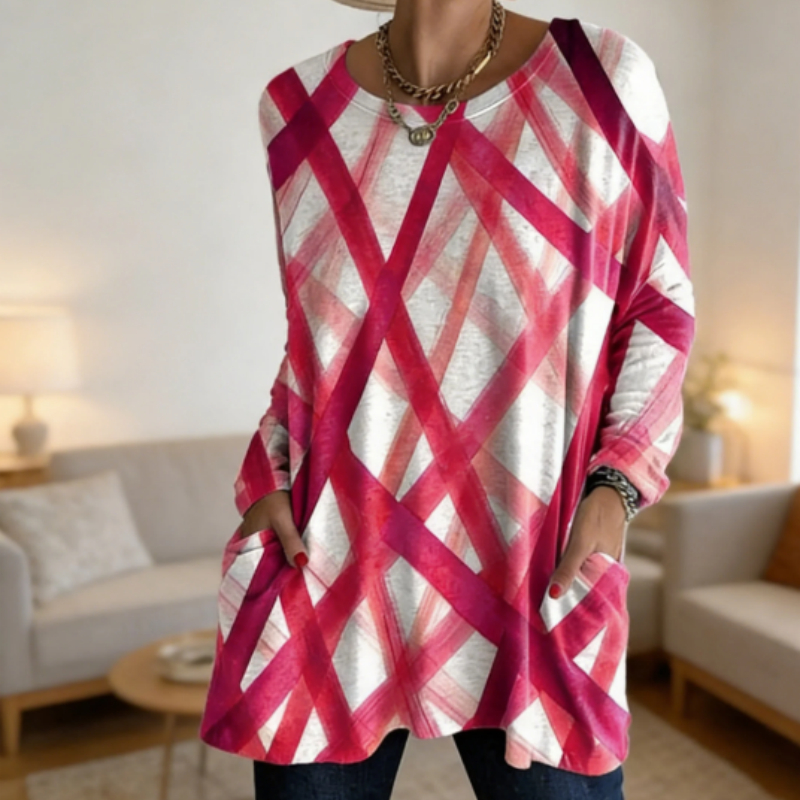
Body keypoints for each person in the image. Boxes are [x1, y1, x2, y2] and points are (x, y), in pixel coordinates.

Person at [199, 0, 696, 798]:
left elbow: (660, 307)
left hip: (535, 577)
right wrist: (268, 477)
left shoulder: (603, 80)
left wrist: (616, 489)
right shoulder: (296, 108)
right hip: (329, 572)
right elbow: (319, 344)